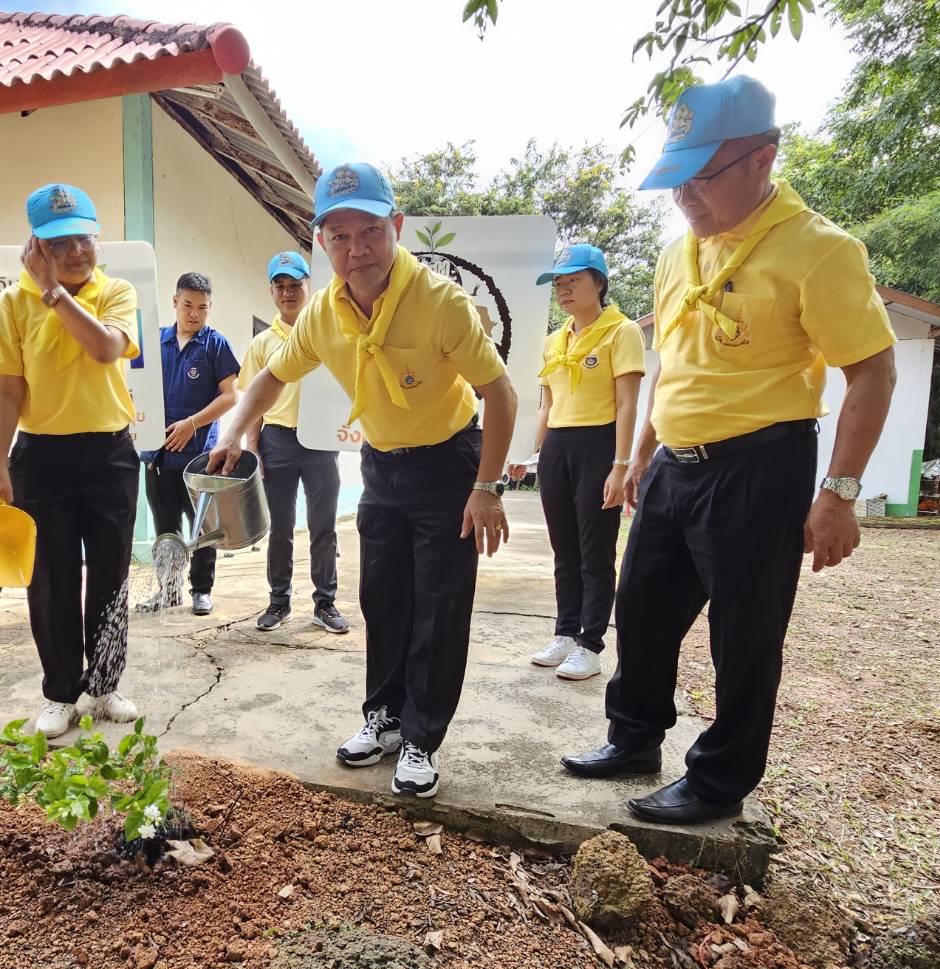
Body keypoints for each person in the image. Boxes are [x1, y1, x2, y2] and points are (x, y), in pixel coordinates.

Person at [562, 75, 896, 824]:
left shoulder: (819, 251)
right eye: (676, 179)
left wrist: (838, 493)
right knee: (640, 610)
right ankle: (634, 737)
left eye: (702, 178)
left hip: (759, 467)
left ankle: (717, 782)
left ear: (762, 159)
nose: (686, 197)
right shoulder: (679, 252)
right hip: (674, 465)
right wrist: (640, 452)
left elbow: (871, 368)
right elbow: (670, 367)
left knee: (742, 636)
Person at [209, 163, 518, 799]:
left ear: (397, 228)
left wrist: (487, 487)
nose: (358, 249)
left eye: (371, 231)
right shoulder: (322, 312)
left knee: (439, 602)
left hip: (448, 462)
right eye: (341, 236)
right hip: (382, 464)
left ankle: (421, 738)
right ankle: (382, 716)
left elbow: (500, 393)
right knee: (382, 596)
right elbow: (272, 374)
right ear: (322, 242)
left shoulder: (440, 303)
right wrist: (237, 427)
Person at [0, 183, 142, 738]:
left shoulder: (116, 291)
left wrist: (54, 294)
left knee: (111, 572)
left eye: (83, 239)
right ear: (35, 247)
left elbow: (105, 349)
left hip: (110, 452)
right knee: (50, 579)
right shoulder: (10, 304)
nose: (75, 252)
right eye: (59, 243)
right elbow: (7, 390)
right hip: (42, 456)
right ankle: (61, 691)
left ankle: (106, 684)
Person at [516, 244, 644, 681]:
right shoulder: (554, 339)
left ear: (599, 283)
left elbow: (628, 403)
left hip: (599, 444)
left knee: (595, 550)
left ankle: (591, 643)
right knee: (564, 549)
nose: (564, 291)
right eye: (559, 284)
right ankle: (566, 632)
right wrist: (526, 453)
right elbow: (546, 406)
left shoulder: (621, 331)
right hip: (558, 449)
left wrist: (621, 464)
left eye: (573, 281)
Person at [235, 251, 348, 634]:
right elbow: (251, 400)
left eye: (294, 285)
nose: (288, 293)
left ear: (307, 287)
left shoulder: (327, 334)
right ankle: (278, 602)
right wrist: (252, 448)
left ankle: (325, 603)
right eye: (280, 287)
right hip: (277, 441)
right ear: (271, 291)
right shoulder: (262, 343)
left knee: (323, 526)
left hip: (320, 442)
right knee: (280, 527)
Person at [141, 272, 239, 616]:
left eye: (202, 307)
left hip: (199, 458)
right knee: (165, 528)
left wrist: (192, 423)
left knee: (204, 528)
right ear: (175, 303)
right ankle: (168, 590)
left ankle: (201, 590)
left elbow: (231, 397)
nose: (194, 313)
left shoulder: (216, 345)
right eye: (187, 305)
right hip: (157, 456)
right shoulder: (155, 342)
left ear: (209, 308)